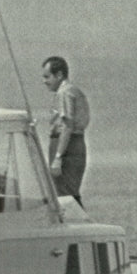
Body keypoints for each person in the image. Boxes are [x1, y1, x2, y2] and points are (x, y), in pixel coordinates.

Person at [42, 56, 90, 208]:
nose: (44, 81)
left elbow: (67, 125)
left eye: (47, 77)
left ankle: (77, 227)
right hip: (76, 143)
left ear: (59, 75)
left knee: (64, 194)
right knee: (71, 191)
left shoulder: (64, 92)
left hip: (66, 145)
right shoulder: (76, 91)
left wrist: (58, 157)